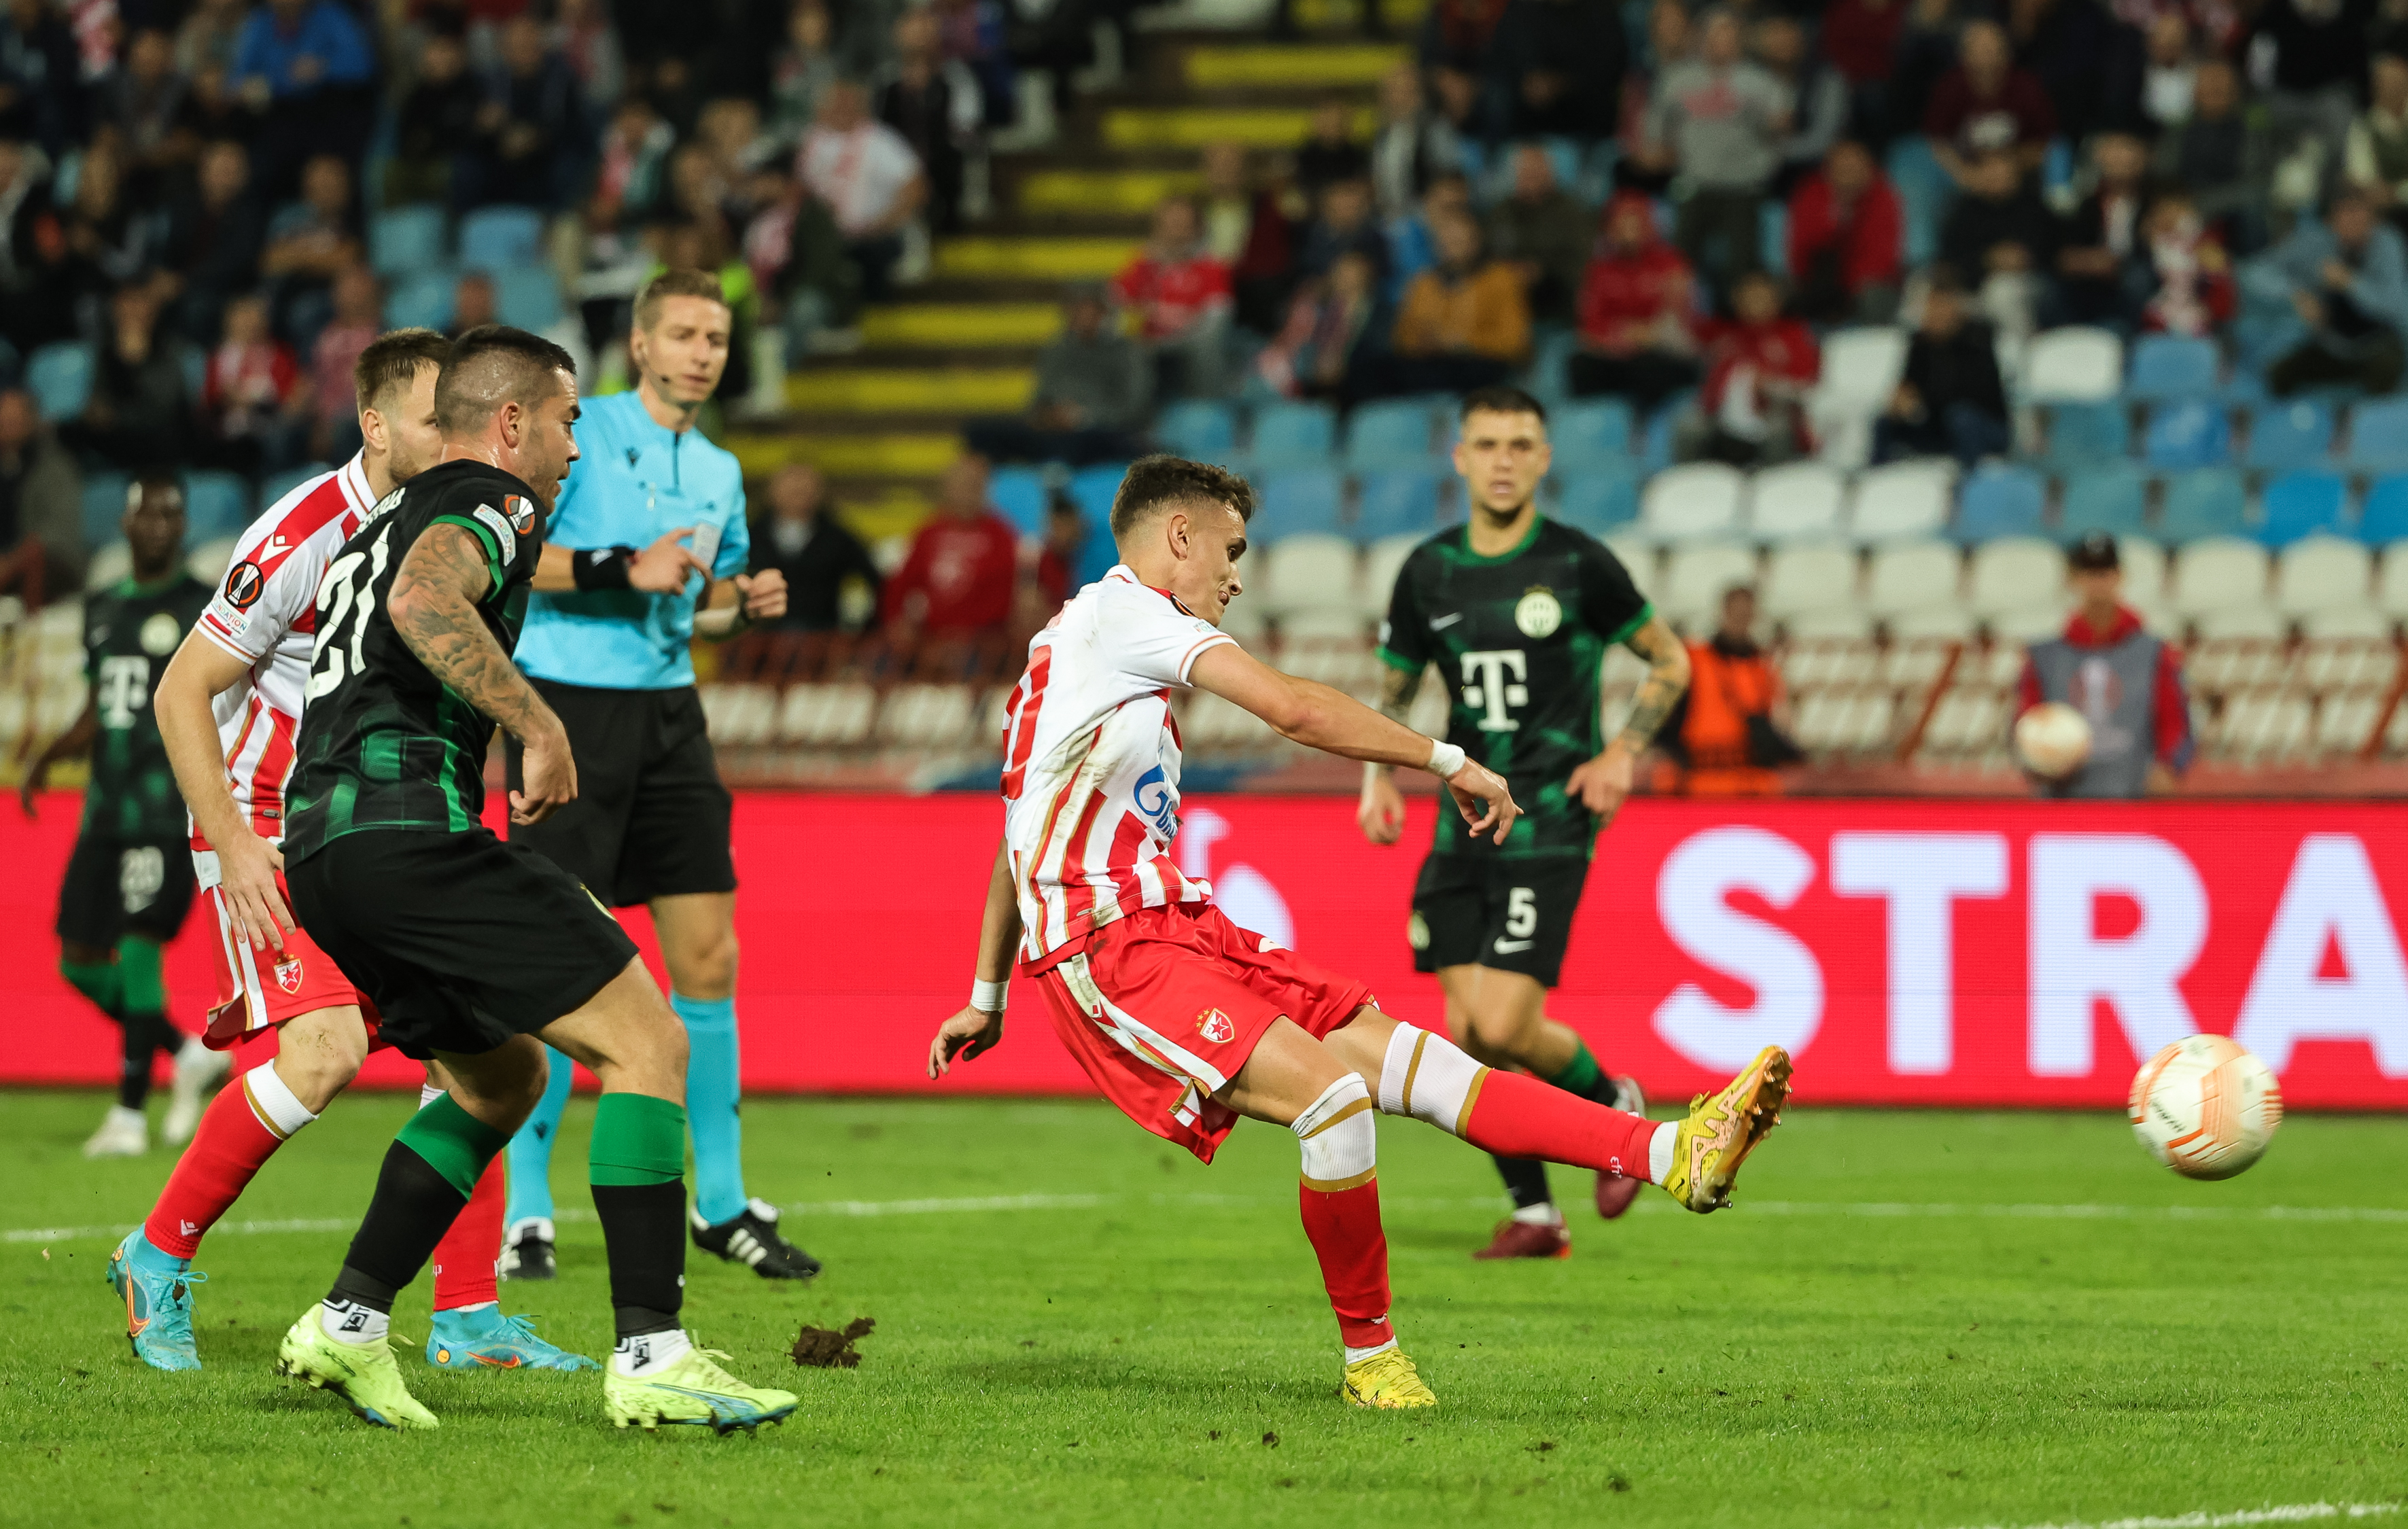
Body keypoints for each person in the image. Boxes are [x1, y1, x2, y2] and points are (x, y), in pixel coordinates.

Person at [929, 453, 1784, 1404]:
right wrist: (1445, 758)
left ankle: (1667, 1153)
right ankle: (1369, 1355)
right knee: (1332, 1099)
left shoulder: (1074, 653)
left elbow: (1015, 832)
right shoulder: (1124, 614)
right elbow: (1292, 708)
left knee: (1430, 1068)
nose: (1238, 573)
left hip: (1183, 927)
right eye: (1230, 548)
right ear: (1178, 536)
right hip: (1111, 952)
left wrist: (982, 996)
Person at [103, 331, 667, 1374]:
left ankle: (462, 1312)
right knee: (324, 1054)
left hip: (392, 808)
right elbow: (185, 688)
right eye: (427, 418)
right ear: (377, 427)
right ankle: (156, 1252)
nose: (446, 435)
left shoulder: (433, 512)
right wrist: (230, 840)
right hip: (272, 815)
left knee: (487, 1051)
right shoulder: (307, 531)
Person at [271, 325, 797, 1430]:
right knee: (648, 1042)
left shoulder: (385, 517)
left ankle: (349, 1323)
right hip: (410, 834)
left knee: (499, 1080)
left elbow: (384, 614)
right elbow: (424, 606)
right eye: (564, 424)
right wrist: (538, 721)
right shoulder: (493, 501)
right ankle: (653, 1354)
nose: (574, 450)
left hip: (327, 849)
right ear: (511, 424)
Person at [501, 270, 809, 1286]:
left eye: (715, 337)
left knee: (708, 960)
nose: (701, 352)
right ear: (639, 346)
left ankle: (718, 1202)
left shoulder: (720, 470)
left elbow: (692, 608)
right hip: (566, 710)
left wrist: (739, 602)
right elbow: (513, 557)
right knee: (556, 960)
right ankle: (525, 1207)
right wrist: (615, 566)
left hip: (671, 714)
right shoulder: (579, 439)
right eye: (682, 333)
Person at [1359, 388, 1695, 1259]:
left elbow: (1669, 658)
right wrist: (1377, 779)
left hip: (1549, 813)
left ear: (1544, 459)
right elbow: (1394, 695)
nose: (1504, 459)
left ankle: (1614, 1099)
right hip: (1461, 816)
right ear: (1460, 457)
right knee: (1466, 1035)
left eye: (1521, 444)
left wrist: (1621, 751)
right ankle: (1538, 1214)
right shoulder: (1427, 571)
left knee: (1505, 1027)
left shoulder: (1580, 565)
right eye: (1487, 443)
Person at [19, 476, 223, 1161]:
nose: (162, 523)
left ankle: (130, 1113)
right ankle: (183, 1053)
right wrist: (50, 756)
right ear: (127, 526)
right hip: (103, 812)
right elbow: (101, 700)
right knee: (77, 962)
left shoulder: (203, 606)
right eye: (148, 512)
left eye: (173, 512)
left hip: (165, 811)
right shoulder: (102, 609)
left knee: (139, 949)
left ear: (184, 524)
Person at [2014, 531, 2193, 798]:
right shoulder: (2045, 656)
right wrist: (2037, 760)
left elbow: (2177, 723)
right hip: (2062, 797)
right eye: (2089, 573)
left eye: (2104, 572)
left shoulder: (2154, 653)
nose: (2097, 583)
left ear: (2119, 576)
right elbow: (2025, 722)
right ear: (2073, 579)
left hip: (2135, 796)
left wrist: (2168, 768)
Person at [1641, 7, 1788, 289]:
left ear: (1740, 41)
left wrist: (1770, 137)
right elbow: (1656, 127)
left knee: (1741, 270)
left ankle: (1738, 327)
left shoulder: (1761, 82)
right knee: (1679, 265)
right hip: (1694, 184)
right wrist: (1659, 150)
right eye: (1714, 36)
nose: (1721, 44)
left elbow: (1781, 131)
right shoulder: (1677, 79)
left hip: (1744, 187)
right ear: (1700, 39)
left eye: (1728, 37)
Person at [962, 283, 1151, 465]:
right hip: (1053, 431)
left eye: (1087, 308)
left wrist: (1084, 417)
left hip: (1098, 432)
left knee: (1096, 443)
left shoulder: (1126, 351)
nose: (1080, 315)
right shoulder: (1057, 349)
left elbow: (1134, 409)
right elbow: (1037, 401)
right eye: (1075, 308)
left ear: (1104, 312)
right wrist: (1048, 416)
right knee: (980, 432)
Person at [2245, 189, 2408, 396]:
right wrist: (2297, 293)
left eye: (2359, 215)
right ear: (2332, 219)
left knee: (2386, 374)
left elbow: (2394, 305)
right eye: (2345, 215)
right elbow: (2256, 271)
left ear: (2372, 219)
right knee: (2278, 374)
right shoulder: (2315, 242)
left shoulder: (2387, 244)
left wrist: (2350, 282)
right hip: (2331, 345)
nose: (2353, 223)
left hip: (2378, 344)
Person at [1661, 584, 1798, 796]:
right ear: (1722, 612)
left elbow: (1780, 728)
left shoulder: (1764, 667)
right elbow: (1664, 722)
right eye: (1735, 613)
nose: (1740, 620)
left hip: (1749, 783)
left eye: (1746, 614)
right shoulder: (1693, 660)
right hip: (1698, 781)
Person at [797, 79, 925, 302]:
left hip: (871, 235)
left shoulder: (881, 141)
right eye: (837, 102)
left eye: (848, 102)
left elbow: (916, 189)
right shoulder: (811, 142)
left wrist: (881, 225)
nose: (842, 108)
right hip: (822, 236)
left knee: (872, 254)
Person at [1569, 193, 1701, 410]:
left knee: (1650, 367)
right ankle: (1596, 426)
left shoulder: (1672, 264)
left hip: (1661, 351)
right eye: (1621, 224)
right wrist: (1621, 336)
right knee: (1579, 365)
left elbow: (1682, 318)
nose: (1628, 231)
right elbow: (1589, 323)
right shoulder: (1599, 269)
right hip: (1615, 350)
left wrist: (1647, 334)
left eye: (1635, 223)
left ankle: (1646, 429)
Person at [1382, 205, 1529, 396]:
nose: (1453, 249)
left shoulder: (1501, 279)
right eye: (1448, 242)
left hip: (1480, 364)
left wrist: (1463, 343)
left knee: (1475, 371)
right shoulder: (1423, 284)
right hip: (1428, 364)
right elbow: (1402, 338)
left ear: (1476, 241)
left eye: (1460, 241)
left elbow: (1515, 342)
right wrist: (1423, 342)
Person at [880, 452, 1019, 640]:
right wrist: (899, 621)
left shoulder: (1002, 535)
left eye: (974, 484)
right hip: (931, 638)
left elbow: (1010, 591)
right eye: (962, 483)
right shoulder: (928, 533)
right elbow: (903, 584)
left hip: (982, 641)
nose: (968, 491)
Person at [1876, 273, 2010, 464]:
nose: (1934, 313)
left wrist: (1920, 401)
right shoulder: (1920, 344)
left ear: (1956, 308)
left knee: (1961, 416)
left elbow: (1973, 394)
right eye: (1931, 306)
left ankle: (1970, 480)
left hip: (1985, 426)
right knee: (1884, 422)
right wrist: (1901, 400)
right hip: (1938, 423)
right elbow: (1909, 385)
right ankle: (1877, 479)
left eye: (1941, 306)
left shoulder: (1978, 338)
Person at [1688, 270, 1818, 465]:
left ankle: (1775, 488)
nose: (1755, 305)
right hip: (1724, 419)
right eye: (1748, 299)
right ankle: (1692, 487)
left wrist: (1768, 385)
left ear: (1777, 301)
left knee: (1779, 429)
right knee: (1689, 427)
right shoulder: (1726, 336)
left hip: (1775, 414)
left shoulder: (1794, 335)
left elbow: (1806, 385)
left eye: (1761, 298)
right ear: (1737, 302)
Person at [1110, 196, 1232, 400]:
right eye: (1170, 225)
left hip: (1190, 357)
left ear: (1196, 230)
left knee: (1206, 354)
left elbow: (1216, 323)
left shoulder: (1211, 268)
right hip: (1144, 357)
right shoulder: (1140, 265)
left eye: (1183, 226)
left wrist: (1174, 337)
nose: (1176, 234)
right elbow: (1112, 308)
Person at [1922, 18, 2056, 184]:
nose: (1986, 60)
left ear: (2007, 53)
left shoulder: (2027, 88)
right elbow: (1937, 142)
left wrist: (2009, 167)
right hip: (1963, 175)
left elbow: (2044, 143)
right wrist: (1969, 175)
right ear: (1964, 55)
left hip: (2019, 176)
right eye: (1979, 50)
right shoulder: (1949, 87)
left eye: (1993, 50)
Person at [752, 461, 882, 631]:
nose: (798, 495)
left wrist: (866, 628)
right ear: (771, 492)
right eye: (791, 490)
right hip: (761, 641)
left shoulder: (837, 538)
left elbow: (875, 580)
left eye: (805, 490)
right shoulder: (749, 537)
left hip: (821, 639)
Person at [1786, 138, 1905, 322]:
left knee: (1873, 294)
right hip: (1817, 278)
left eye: (1854, 166)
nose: (1847, 172)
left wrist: (1847, 288)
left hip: (1863, 283)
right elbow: (1800, 248)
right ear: (1828, 168)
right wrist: (1837, 215)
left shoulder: (1884, 196)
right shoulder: (1810, 192)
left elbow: (1881, 257)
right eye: (1841, 166)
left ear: (1868, 168)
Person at [1484, 142, 1591, 326]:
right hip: (1505, 308)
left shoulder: (1572, 212)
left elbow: (1584, 261)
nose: (1530, 176)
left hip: (1557, 308)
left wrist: (1542, 272)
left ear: (1550, 173)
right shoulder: (1499, 212)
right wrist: (1508, 271)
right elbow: (1484, 255)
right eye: (1525, 171)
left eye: (1536, 170)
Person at [2053, 131, 2152, 329]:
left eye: (2125, 155)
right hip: (2094, 274)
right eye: (2112, 157)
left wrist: (2118, 263)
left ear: (2142, 160)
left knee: (2138, 279)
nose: (2118, 161)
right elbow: (2069, 249)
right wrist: (2086, 260)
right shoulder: (2088, 204)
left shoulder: (2155, 201)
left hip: (2136, 270)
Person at [0, 385, 85, 609]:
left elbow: (54, 532)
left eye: (15, 419)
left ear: (31, 419)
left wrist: (11, 562)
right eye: (4, 418)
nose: (8, 424)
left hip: (48, 565)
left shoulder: (55, 467)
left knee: (37, 563)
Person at [1368, 63, 1461, 222]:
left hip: (1426, 218)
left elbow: (1449, 181)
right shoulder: (1383, 135)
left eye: (1407, 92)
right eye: (1393, 92)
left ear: (1419, 97)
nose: (1399, 98)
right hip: (1389, 218)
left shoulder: (1436, 131)